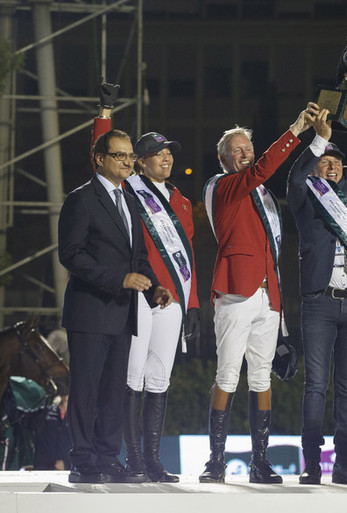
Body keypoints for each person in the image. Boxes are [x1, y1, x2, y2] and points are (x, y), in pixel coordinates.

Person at [59, 91, 173, 483]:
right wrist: (120, 280)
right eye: (119, 155)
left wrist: (152, 287)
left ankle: (109, 459)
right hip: (90, 311)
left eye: (129, 156)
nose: (127, 161)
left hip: (123, 313)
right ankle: (83, 461)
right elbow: (71, 255)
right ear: (99, 159)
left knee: (113, 393)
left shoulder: (131, 202)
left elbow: (137, 259)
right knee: (87, 391)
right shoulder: (82, 199)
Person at [198, 103, 313, 484]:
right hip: (235, 291)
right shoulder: (222, 186)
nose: (244, 152)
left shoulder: (259, 193)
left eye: (248, 146)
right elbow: (264, 168)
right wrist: (295, 129)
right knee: (228, 373)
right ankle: (215, 462)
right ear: (222, 157)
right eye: (237, 148)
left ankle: (258, 462)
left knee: (261, 376)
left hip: (267, 294)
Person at [90, 83, 200, 483]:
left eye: (170, 152)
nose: (168, 158)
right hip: (138, 293)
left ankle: (153, 461)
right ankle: (133, 459)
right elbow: (98, 157)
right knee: (132, 377)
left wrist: (194, 306)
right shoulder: (129, 191)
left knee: (159, 378)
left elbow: (187, 257)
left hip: (172, 298)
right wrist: (105, 112)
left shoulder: (183, 201)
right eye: (159, 153)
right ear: (140, 162)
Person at [287, 71, 347, 485]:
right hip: (320, 302)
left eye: (337, 160)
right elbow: (295, 177)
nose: (334, 164)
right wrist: (317, 141)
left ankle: (345, 462)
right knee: (316, 386)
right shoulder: (306, 197)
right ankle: (311, 463)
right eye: (326, 159)